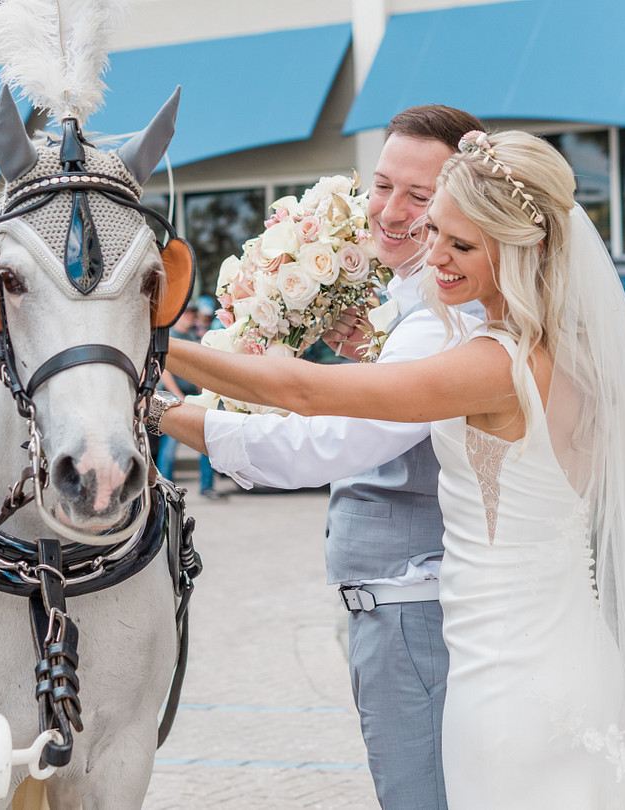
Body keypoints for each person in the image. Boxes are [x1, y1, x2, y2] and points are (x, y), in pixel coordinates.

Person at [159, 130, 625, 807]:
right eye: (435, 229)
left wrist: (153, 339)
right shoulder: (575, 356)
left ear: (522, 247)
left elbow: (301, 393)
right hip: (574, 657)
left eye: (460, 245)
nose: (433, 255)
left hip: (509, 684)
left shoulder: (494, 365)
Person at [146, 105, 483, 810]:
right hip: (399, 615)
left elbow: (321, 440)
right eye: (381, 185)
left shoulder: (447, 324)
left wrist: (154, 397)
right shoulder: (409, 310)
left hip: (415, 616)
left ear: (462, 206)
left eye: (419, 198)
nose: (389, 211)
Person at [156, 302, 225, 499]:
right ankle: (164, 488)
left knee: (206, 441)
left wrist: (204, 394)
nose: (190, 317)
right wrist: (178, 396)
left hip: (190, 396)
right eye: (187, 313)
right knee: (169, 446)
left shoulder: (193, 337)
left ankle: (207, 486)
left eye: (192, 313)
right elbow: (164, 370)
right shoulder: (170, 337)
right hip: (173, 398)